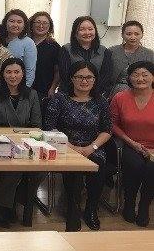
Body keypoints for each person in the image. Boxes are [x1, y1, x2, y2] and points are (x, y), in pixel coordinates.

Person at [45, 61, 112, 232]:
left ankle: (91, 209)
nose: (84, 81)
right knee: (73, 168)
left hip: (93, 147)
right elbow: (50, 127)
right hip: (65, 147)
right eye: (80, 77)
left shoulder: (101, 101)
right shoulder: (60, 99)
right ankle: (72, 208)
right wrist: (71, 147)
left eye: (89, 77)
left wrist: (92, 147)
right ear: (72, 79)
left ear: (95, 80)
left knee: (98, 165)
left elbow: (107, 130)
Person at [0, 58, 41, 228]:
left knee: (40, 170)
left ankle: (8, 201)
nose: (13, 76)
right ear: (2, 74)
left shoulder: (32, 94)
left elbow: (37, 126)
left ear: (23, 74)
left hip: (24, 143)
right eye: (8, 72)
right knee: (14, 169)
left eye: (17, 72)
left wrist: (24, 141)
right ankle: (3, 205)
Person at [110, 61, 154, 227]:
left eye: (145, 74)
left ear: (153, 77)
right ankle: (129, 203)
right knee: (134, 165)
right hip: (130, 144)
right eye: (135, 74)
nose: (140, 78)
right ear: (129, 78)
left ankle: (144, 206)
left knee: (151, 168)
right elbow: (112, 124)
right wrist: (131, 143)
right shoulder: (120, 97)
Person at [58, 16, 113, 97]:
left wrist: (92, 94)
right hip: (69, 95)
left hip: (96, 95)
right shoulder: (66, 50)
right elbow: (65, 76)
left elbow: (106, 77)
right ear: (75, 32)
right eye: (82, 29)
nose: (87, 33)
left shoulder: (104, 51)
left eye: (90, 29)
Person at [109, 21, 154, 97]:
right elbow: (105, 74)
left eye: (136, 34)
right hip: (114, 91)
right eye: (129, 34)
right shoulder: (112, 51)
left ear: (142, 35)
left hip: (142, 91)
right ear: (122, 35)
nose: (133, 37)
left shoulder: (150, 54)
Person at [28, 12, 60, 102]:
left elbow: (58, 71)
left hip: (43, 91)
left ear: (50, 26)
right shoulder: (25, 43)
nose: (41, 26)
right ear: (31, 25)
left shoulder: (54, 47)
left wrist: (53, 88)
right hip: (22, 90)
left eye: (45, 23)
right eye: (38, 22)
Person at [1, 9, 37, 87]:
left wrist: (25, 89)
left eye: (19, 22)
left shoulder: (28, 42)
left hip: (17, 87)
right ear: (5, 23)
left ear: (24, 25)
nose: (15, 25)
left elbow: (30, 70)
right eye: (12, 21)